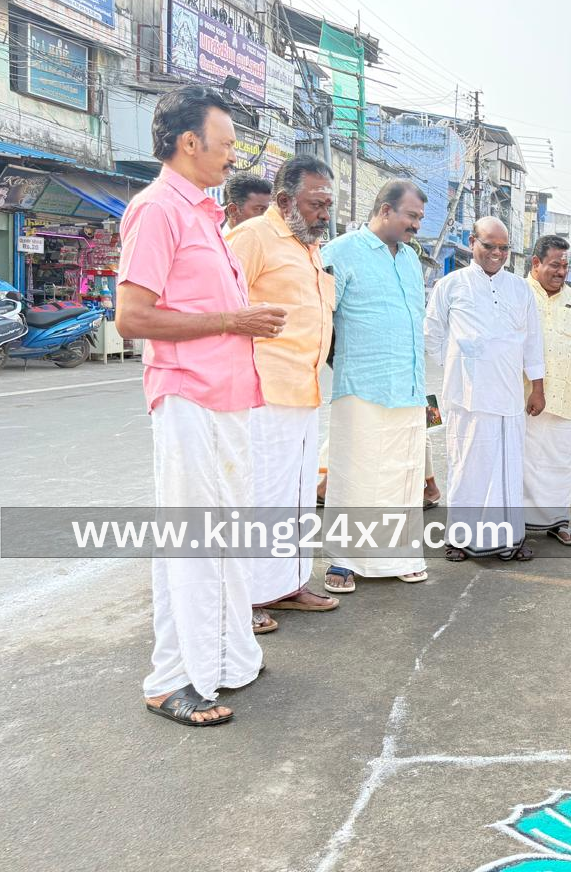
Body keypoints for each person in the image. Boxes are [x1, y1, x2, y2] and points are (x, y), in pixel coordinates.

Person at [116, 85, 282, 726]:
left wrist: (240, 324)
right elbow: (132, 317)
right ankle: (171, 679)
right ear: (190, 143)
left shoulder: (207, 216)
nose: (234, 155)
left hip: (227, 396)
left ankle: (226, 659)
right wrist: (235, 318)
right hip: (186, 394)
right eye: (228, 143)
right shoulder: (157, 209)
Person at [225, 155, 339, 633]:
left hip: (303, 389)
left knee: (293, 497)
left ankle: (286, 584)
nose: (325, 213)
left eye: (328, 204)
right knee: (256, 497)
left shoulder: (307, 244)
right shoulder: (251, 237)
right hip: (262, 390)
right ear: (286, 200)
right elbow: (220, 308)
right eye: (317, 203)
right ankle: (243, 598)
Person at [321, 180, 431, 591]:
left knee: (403, 474)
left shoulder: (408, 259)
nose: (416, 225)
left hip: (408, 385)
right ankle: (345, 561)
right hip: (361, 385)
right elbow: (323, 319)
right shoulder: (341, 251)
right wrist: (343, 364)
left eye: (419, 217)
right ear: (385, 210)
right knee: (357, 473)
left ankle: (400, 555)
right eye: (411, 216)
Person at [425, 216, 545, 561]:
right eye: (489, 245)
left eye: (504, 248)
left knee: (507, 466)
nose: (497, 253)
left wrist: (537, 387)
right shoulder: (451, 284)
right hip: (467, 396)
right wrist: (456, 366)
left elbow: (532, 341)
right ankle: (459, 539)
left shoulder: (520, 288)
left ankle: (509, 539)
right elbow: (431, 334)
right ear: (471, 242)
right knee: (467, 464)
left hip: (509, 394)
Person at [522, 233, 571, 546]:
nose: (560, 271)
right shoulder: (518, 293)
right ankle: (518, 522)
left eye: (565, 266)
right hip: (524, 396)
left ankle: (558, 521)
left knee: (559, 461)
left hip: (566, 396)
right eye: (555, 265)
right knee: (523, 460)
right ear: (536, 263)